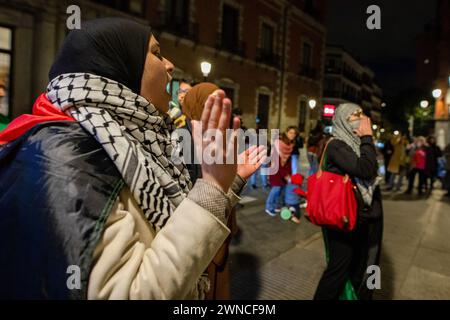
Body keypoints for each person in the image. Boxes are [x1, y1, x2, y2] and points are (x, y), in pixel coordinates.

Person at [0, 18, 256, 300]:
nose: (169, 64)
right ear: (120, 67)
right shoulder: (69, 153)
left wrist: (226, 184)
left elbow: (179, 217)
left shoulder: (126, 136)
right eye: (156, 53)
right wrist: (211, 186)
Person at [179, 82, 266, 300]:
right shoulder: (181, 138)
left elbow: (220, 188)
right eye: (211, 103)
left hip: (217, 228)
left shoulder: (220, 137)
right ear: (197, 105)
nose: (218, 111)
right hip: (191, 240)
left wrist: (237, 177)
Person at [314, 103, 383, 300]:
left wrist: (365, 141)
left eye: (361, 114)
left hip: (359, 215)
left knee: (360, 263)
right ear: (343, 120)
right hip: (342, 216)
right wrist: (367, 137)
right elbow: (365, 169)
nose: (361, 118)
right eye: (355, 115)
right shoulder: (337, 145)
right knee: (338, 268)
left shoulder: (354, 143)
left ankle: (354, 295)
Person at [265, 126, 296, 216]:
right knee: (275, 190)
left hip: (283, 171)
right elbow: (276, 161)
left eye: (294, 133)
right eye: (291, 132)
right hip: (276, 171)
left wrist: (289, 173)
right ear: (286, 132)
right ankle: (269, 207)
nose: (292, 135)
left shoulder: (290, 144)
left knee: (280, 189)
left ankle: (276, 205)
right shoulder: (279, 144)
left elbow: (288, 160)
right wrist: (286, 175)